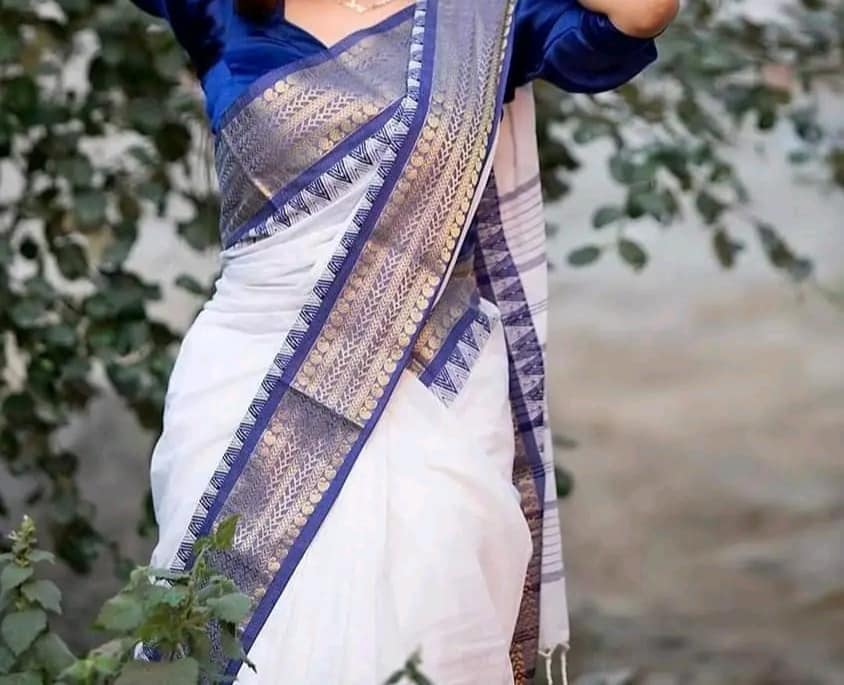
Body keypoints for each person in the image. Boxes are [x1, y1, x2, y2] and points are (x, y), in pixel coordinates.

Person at [128, 0, 678, 682]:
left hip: (432, 389)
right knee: (252, 643)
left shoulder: (479, 21)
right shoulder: (222, 12)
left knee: (432, 630)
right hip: (250, 386)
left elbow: (642, 12)